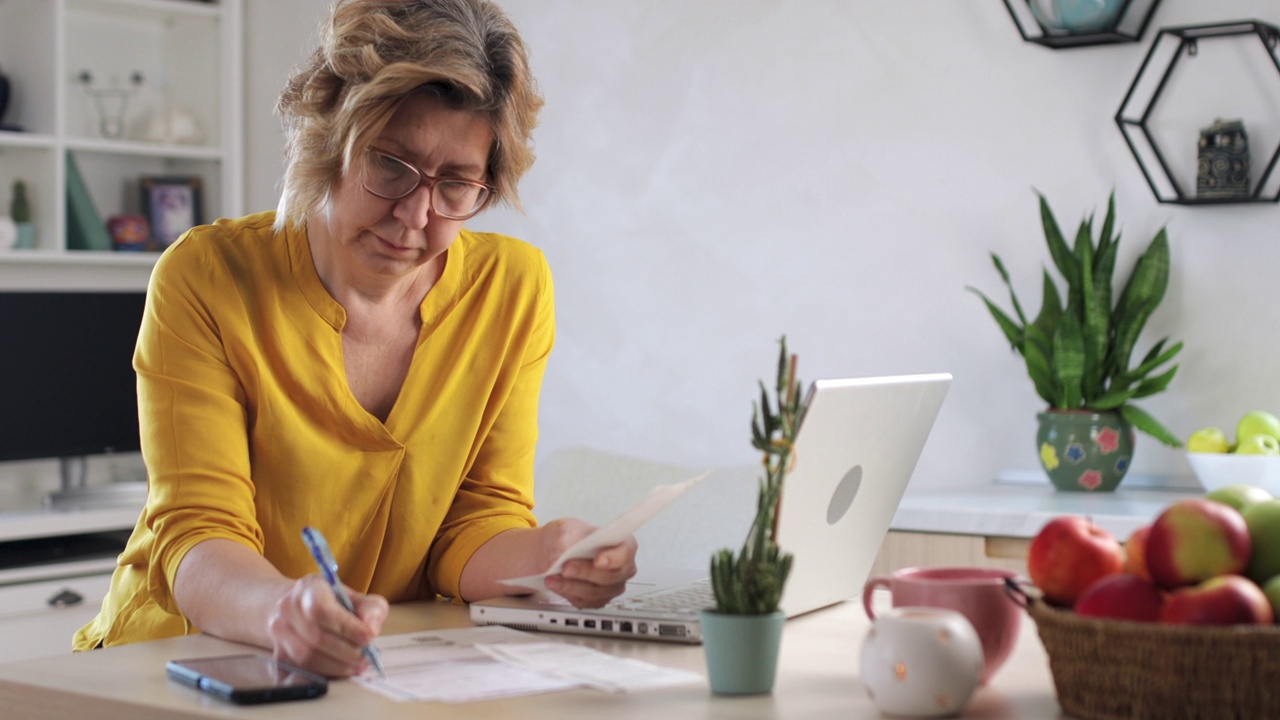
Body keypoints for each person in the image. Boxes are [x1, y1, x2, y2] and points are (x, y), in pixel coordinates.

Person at [73, 0, 638, 678]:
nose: (415, 215)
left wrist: (548, 558)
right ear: (327, 138)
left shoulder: (513, 291)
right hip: (177, 660)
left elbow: (474, 527)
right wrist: (284, 609)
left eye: (455, 183)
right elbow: (197, 534)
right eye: (392, 166)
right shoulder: (206, 277)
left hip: (371, 668)